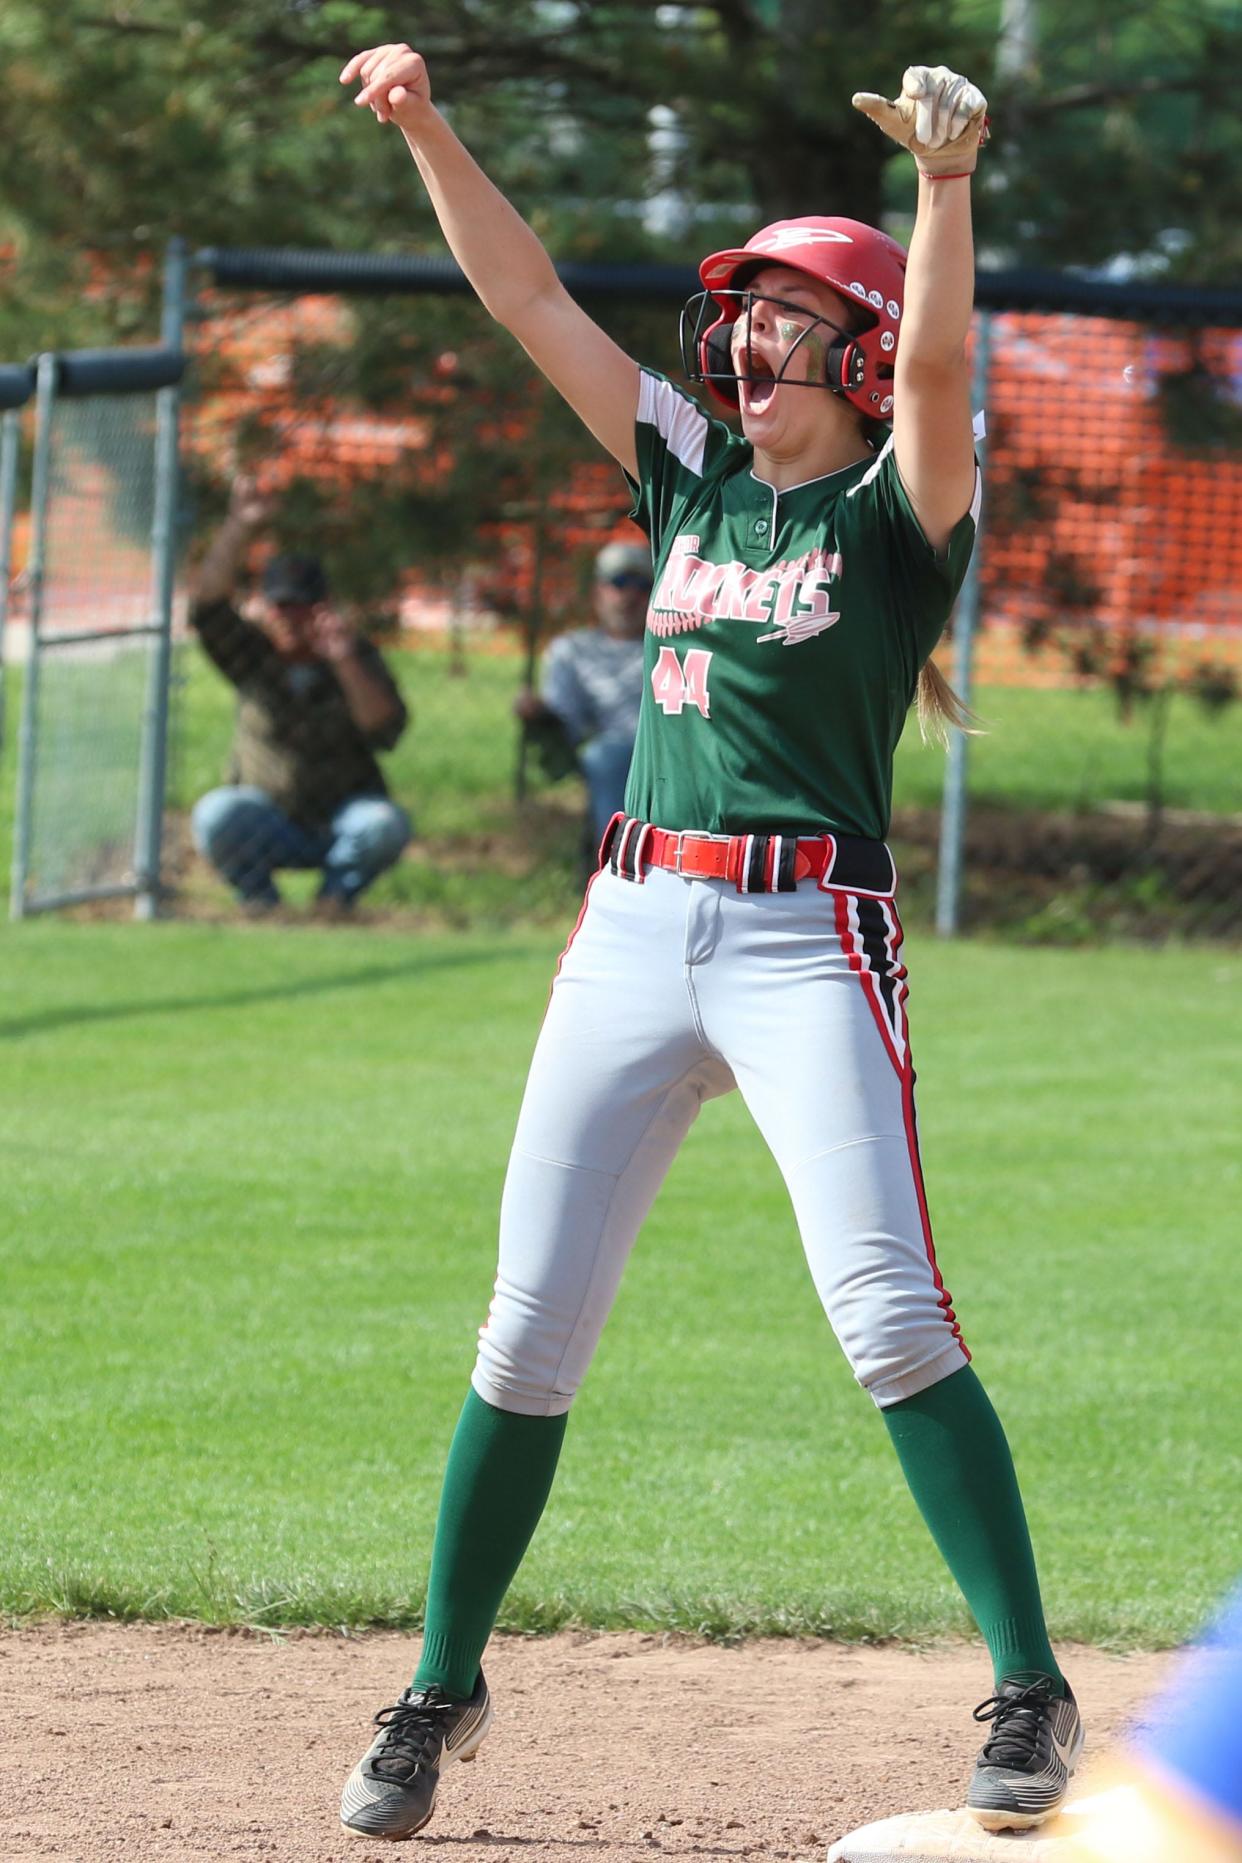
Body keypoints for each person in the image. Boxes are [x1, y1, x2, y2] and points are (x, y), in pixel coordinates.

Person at [336, 46, 1082, 1843]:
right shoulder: (683, 476)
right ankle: (441, 1677)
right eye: (735, 311)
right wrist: (429, 123)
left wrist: (947, 193)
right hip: (630, 923)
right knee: (525, 1337)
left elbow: (938, 365)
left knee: (890, 1310)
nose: (742, 339)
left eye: (783, 313)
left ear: (850, 348)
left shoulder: (890, 517)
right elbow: (522, 293)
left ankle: (1028, 1684)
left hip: (803, 931)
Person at [188, 478, 411, 914]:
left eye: (303, 607)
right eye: (281, 606)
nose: (292, 618)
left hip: (341, 818)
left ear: (324, 606)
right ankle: (261, 903)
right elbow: (206, 605)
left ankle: (333, 901)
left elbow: (385, 729)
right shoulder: (254, 656)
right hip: (269, 819)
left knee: (384, 825)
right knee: (217, 815)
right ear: (266, 608)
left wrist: (344, 660)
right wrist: (239, 525)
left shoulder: (355, 655)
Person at [514, 539, 651, 844]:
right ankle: (618, 861)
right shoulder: (573, 650)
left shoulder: (673, 646)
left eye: (642, 585)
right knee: (607, 757)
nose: (630, 595)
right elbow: (567, 726)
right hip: (614, 751)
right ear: (598, 592)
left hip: (673, 749)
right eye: (619, 582)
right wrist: (539, 714)